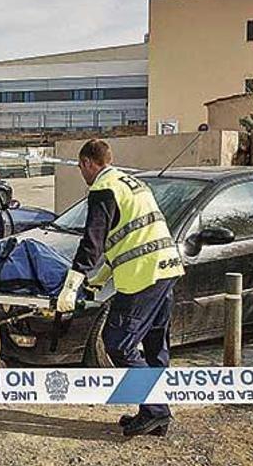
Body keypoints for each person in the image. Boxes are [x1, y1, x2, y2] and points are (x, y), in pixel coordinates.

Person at [55, 139, 184, 437]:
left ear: (88, 163)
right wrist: (96, 281)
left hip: (143, 277)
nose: (81, 173)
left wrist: (71, 286)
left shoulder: (103, 188)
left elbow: (93, 242)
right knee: (155, 347)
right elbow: (125, 240)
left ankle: (156, 409)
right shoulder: (133, 183)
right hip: (166, 270)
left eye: (80, 167)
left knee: (118, 342)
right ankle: (154, 417)